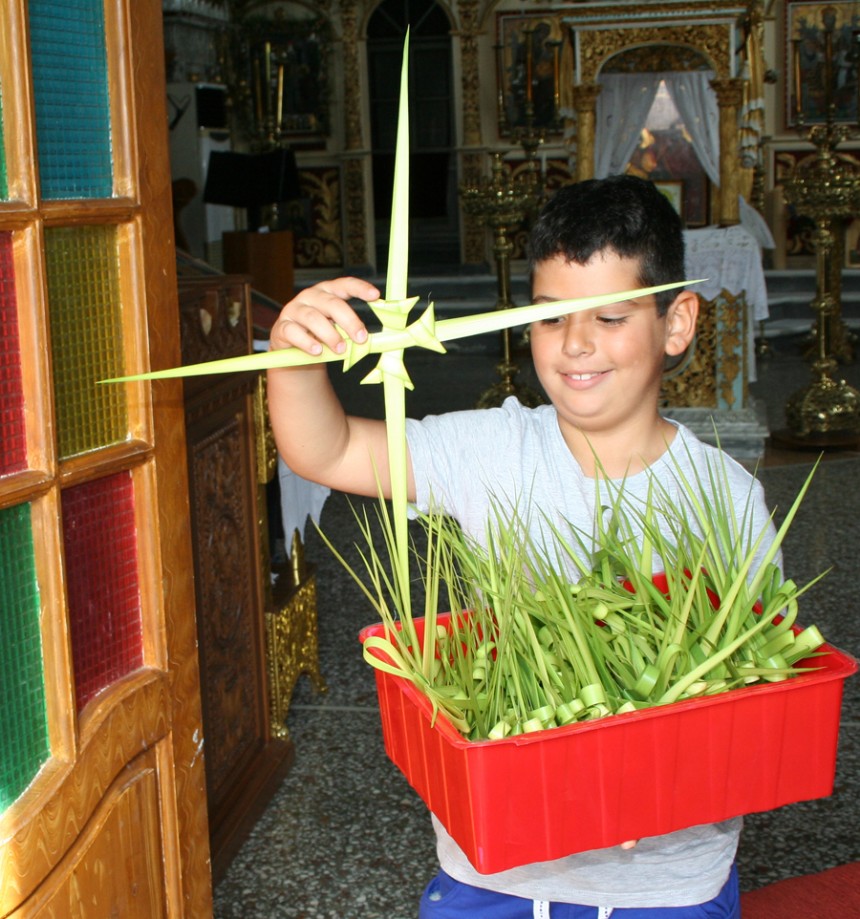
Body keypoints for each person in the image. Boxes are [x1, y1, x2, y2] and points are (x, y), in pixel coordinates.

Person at [267, 175, 774, 918]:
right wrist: (293, 356)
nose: (575, 345)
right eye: (549, 318)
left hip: (664, 881)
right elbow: (330, 448)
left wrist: (667, 781)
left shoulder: (726, 499)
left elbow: (753, 698)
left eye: (608, 316)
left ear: (677, 321)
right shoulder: (496, 446)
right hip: (494, 866)